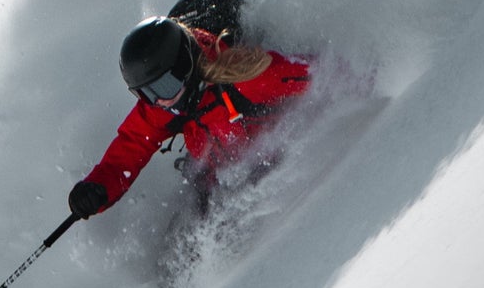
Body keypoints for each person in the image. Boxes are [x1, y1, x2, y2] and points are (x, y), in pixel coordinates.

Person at [68, 13, 312, 221]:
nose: (159, 100)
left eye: (163, 87)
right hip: (214, 187)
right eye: (145, 93)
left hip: (276, 171)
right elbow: (131, 147)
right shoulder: (162, 106)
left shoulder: (247, 83)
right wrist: (97, 188)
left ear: (184, 67)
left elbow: (322, 75)